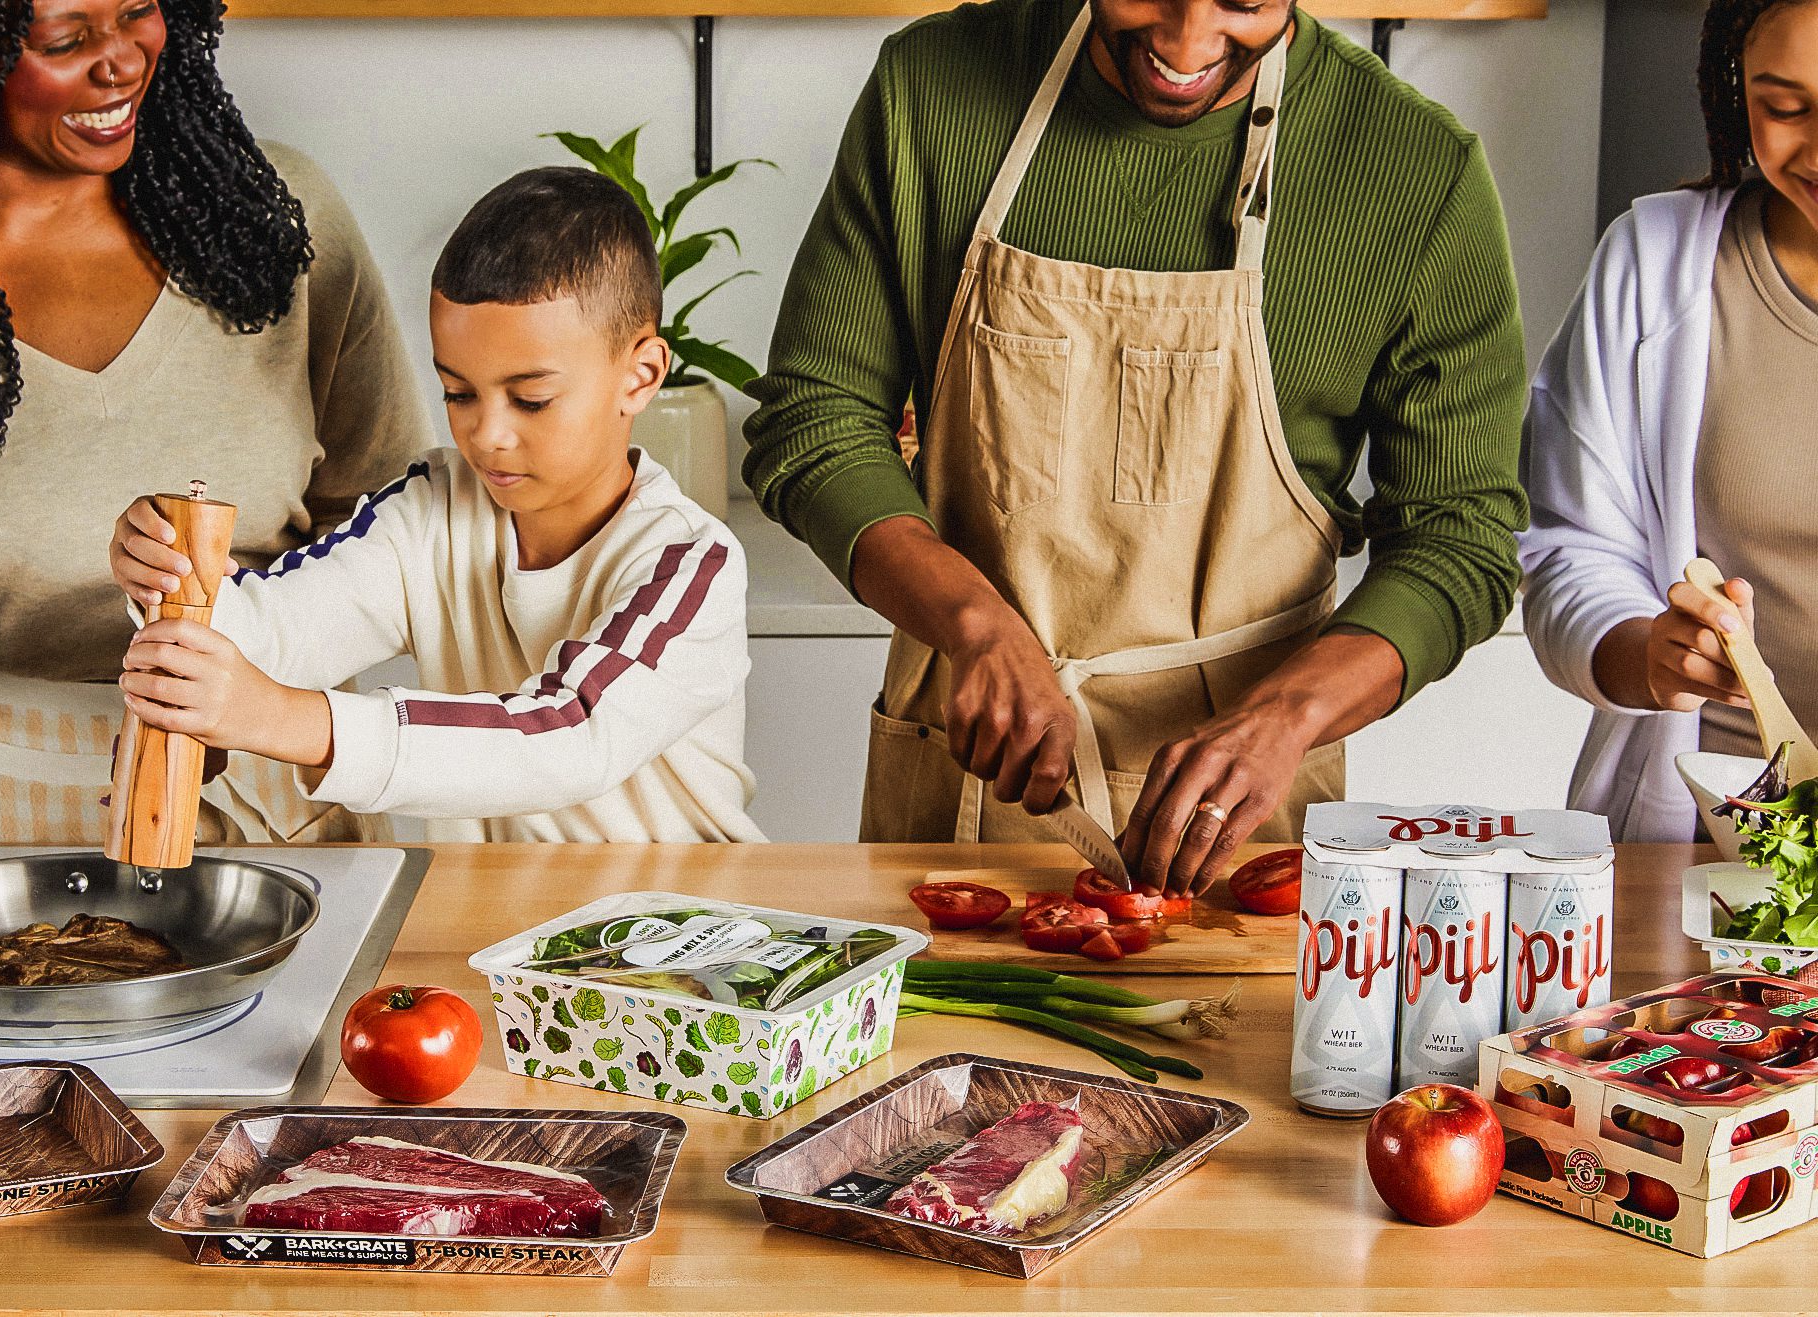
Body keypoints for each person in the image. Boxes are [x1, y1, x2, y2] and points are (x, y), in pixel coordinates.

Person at [744, 0, 1527, 890]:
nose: (1184, 43)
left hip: (1238, 821)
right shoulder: (931, 90)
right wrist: (971, 621)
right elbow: (814, 416)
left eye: (1243, 2)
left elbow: (1458, 538)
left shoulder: (1415, 171)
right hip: (958, 782)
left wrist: (1287, 713)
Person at [0, 0, 430, 845]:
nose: (120, 59)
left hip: (270, 823)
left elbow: (396, 519)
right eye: (65, 38)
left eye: (138, 11)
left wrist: (245, 670)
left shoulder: (271, 220)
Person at [108, 168, 763, 842]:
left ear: (642, 375)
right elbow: (277, 630)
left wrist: (278, 717)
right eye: (458, 393)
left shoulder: (691, 565)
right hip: (490, 924)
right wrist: (167, 573)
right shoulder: (430, 510)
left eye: (531, 399)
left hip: (683, 928)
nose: (487, 433)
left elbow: (567, 732)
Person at [1522, 0, 1818, 839]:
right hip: (1698, 835)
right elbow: (1571, 547)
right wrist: (1648, 655)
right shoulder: (1655, 261)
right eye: (1785, 106)